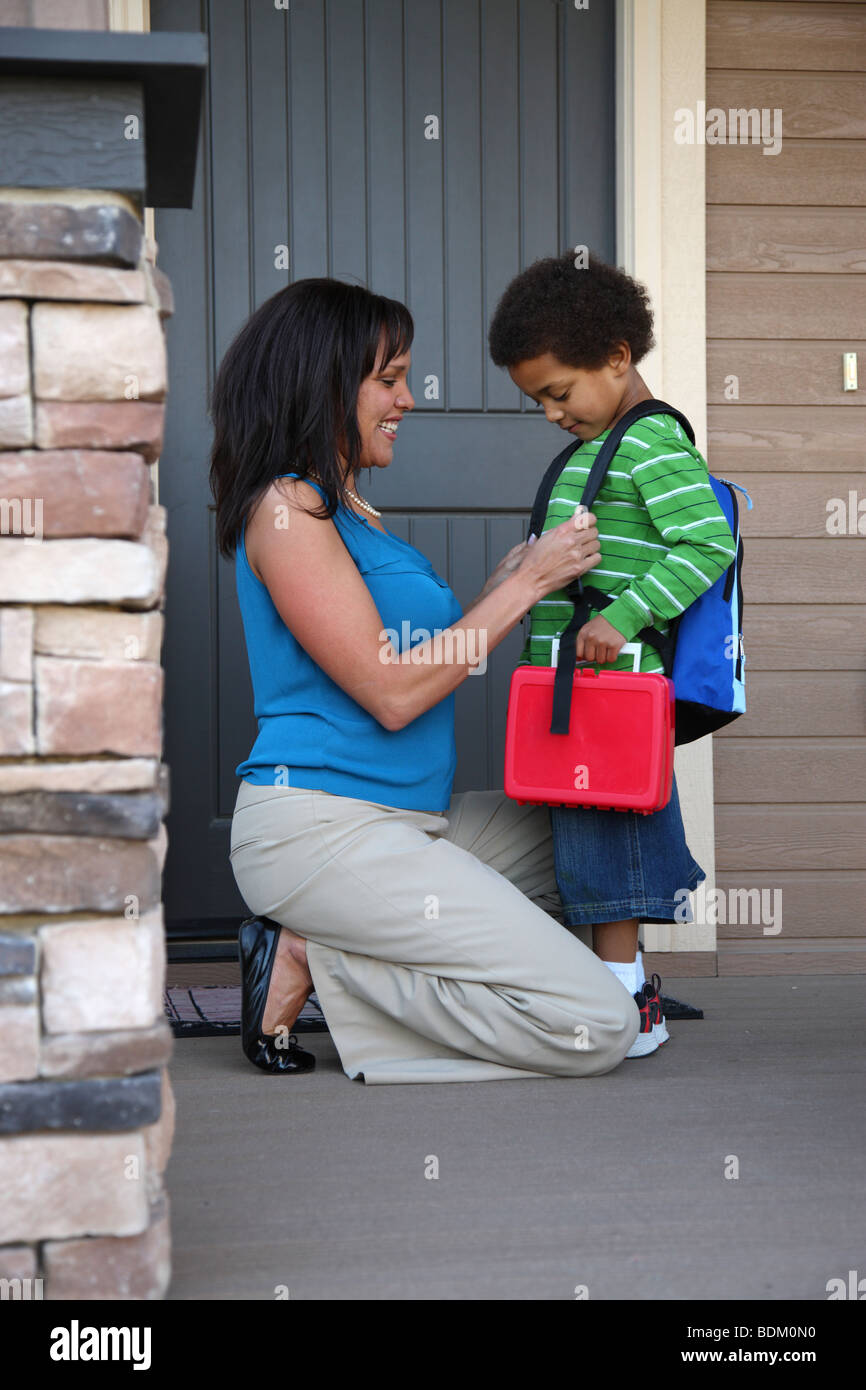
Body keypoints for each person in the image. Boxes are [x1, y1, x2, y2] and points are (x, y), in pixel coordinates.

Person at [209, 276, 640, 1083]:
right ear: (325, 380)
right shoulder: (286, 510)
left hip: (414, 823)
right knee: (594, 1026)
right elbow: (393, 692)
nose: (408, 398)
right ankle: (319, 957)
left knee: (595, 832)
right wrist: (524, 587)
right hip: (322, 829)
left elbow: (426, 659)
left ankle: (353, 940)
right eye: (389, 378)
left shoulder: (353, 512)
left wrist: (503, 588)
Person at [488, 251, 737, 1057]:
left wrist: (626, 616)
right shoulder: (602, 448)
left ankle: (624, 1005)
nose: (552, 414)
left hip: (615, 685)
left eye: (559, 392)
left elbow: (708, 542)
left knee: (608, 834)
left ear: (618, 358)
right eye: (539, 401)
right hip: (575, 686)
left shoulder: (649, 441)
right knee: (582, 831)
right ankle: (613, 991)